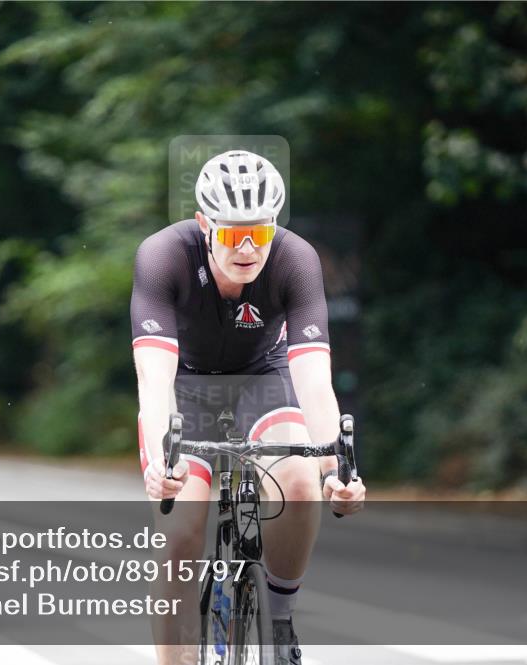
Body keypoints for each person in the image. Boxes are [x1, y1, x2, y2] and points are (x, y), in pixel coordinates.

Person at [131, 150, 366, 664]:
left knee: (300, 480)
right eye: (232, 233)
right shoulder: (163, 256)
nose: (246, 248)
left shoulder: (296, 259)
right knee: (179, 535)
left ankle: (279, 624)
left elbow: (314, 381)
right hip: (186, 387)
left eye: (257, 234)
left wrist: (334, 471)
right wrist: (161, 463)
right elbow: (154, 380)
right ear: (203, 224)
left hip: (264, 378)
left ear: (274, 229)